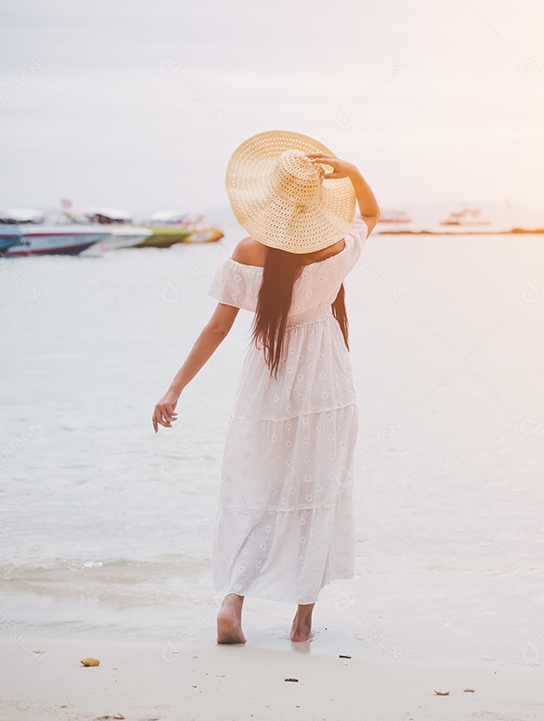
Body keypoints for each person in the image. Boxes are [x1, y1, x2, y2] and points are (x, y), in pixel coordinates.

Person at [152, 130, 379, 644]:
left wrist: (174, 390)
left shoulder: (248, 250)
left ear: (271, 197)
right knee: (318, 492)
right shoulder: (336, 244)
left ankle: (233, 603)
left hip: (268, 380)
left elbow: (217, 328)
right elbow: (372, 214)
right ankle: (302, 622)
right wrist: (353, 170)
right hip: (326, 380)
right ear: (319, 199)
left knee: (261, 493)